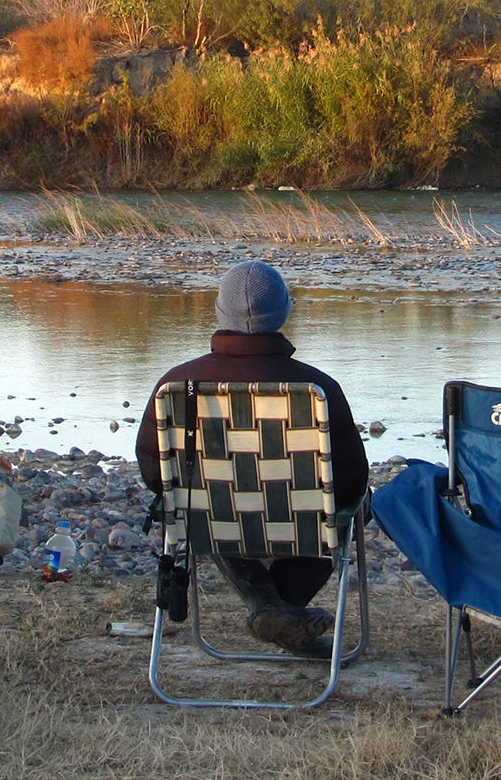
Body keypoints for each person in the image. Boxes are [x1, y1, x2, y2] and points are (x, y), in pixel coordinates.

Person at [138, 260, 368, 657]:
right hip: (304, 520)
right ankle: (277, 611)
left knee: (204, 501)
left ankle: (269, 608)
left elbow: (155, 470)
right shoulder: (317, 388)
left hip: (210, 518)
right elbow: (351, 481)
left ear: (218, 312)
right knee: (349, 511)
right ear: (284, 312)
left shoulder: (177, 385)